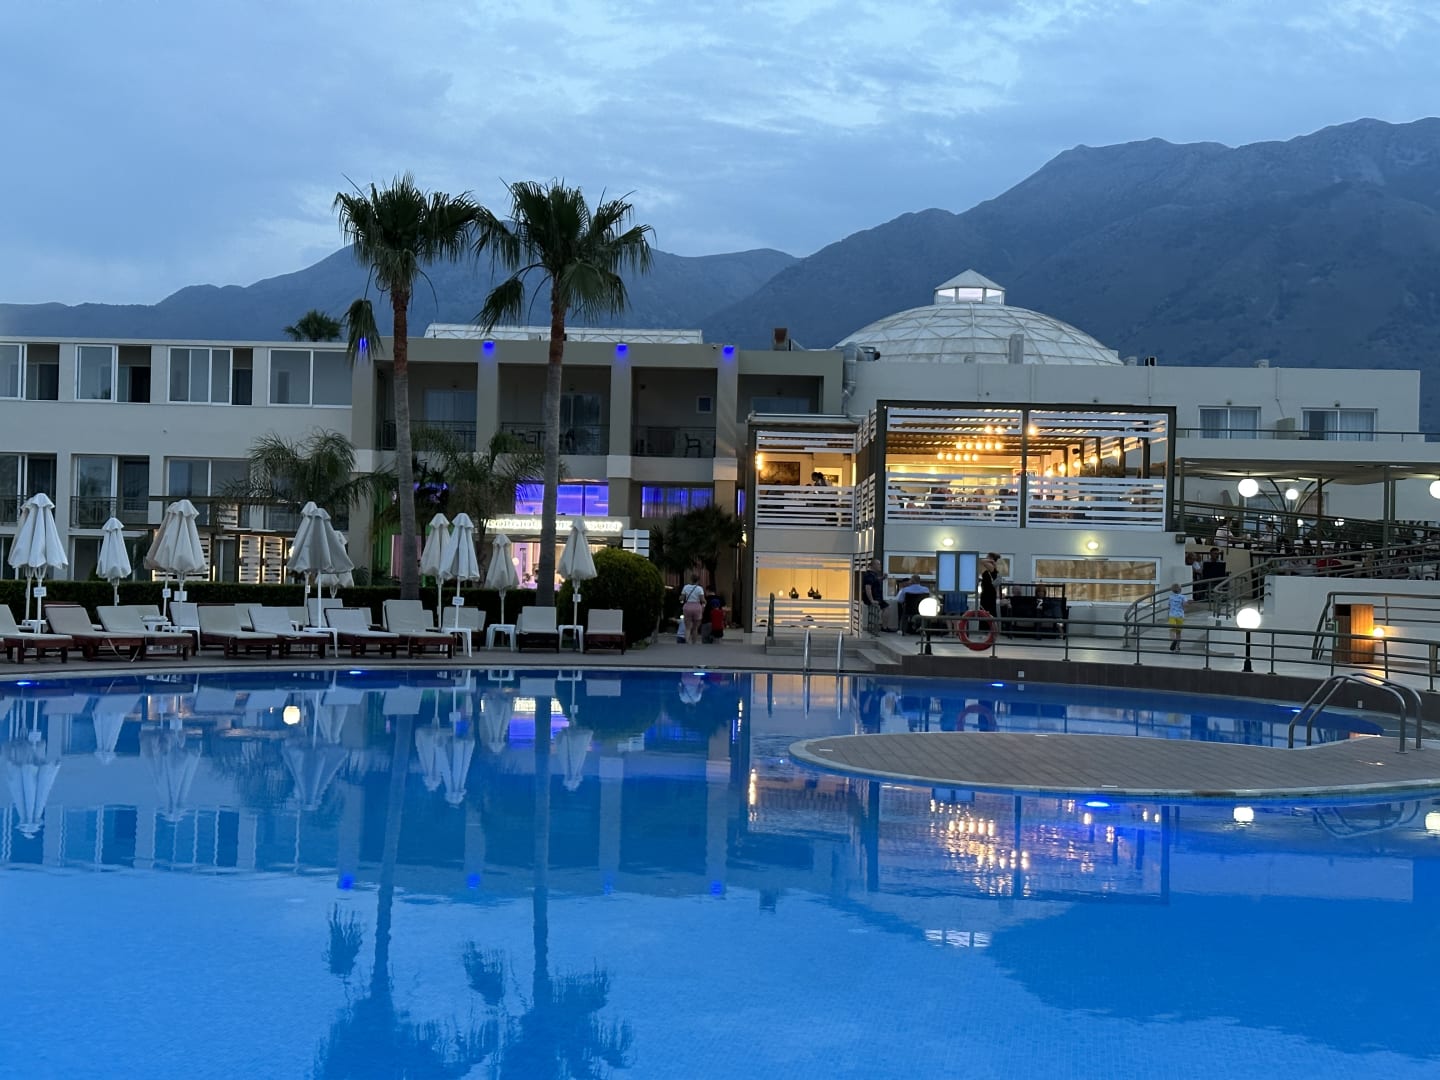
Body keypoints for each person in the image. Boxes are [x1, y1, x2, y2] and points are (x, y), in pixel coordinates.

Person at [861, 558, 891, 633]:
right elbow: (868, 587)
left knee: (886, 607)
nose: (880, 566)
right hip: (873, 598)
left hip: (876, 597)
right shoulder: (869, 575)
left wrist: (882, 578)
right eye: (878, 564)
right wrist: (871, 600)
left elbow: (875, 580)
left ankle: (883, 626)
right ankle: (884, 627)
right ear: (873, 565)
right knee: (886, 607)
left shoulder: (873, 574)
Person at [680, 574, 706, 644]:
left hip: (687, 607)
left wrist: (681, 600)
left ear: (691, 579)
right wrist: (704, 604)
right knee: (695, 628)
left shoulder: (685, 587)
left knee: (688, 627)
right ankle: (694, 643)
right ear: (698, 580)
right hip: (697, 607)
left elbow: (682, 598)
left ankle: (687, 641)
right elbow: (702, 600)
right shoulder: (700, 588)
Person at [1166, 582, 1189, 652]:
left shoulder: (1170, 597)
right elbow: (1185, 605)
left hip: (1172, 615)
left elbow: (1169, 606)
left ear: (1172, 590)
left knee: (1172, 630)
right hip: (1180, 616)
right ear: (1180, 590)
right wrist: (1187, 604)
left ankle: (1174, 640)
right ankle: (1177, 647)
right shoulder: (1183, 597)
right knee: (1178, 632)